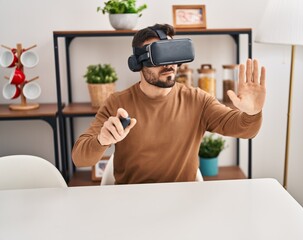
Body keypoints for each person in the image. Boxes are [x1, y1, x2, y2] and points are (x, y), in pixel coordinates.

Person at [72, 23, 266, 184]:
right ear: (138, 63)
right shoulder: (118, 103)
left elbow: (245, 129)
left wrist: (252, 113)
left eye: (173, 54)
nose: (169, 65)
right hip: (131, 202)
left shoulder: (197, 100)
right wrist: (101, 141)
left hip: (183, 202)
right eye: (160, 55)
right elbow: (80, 158)